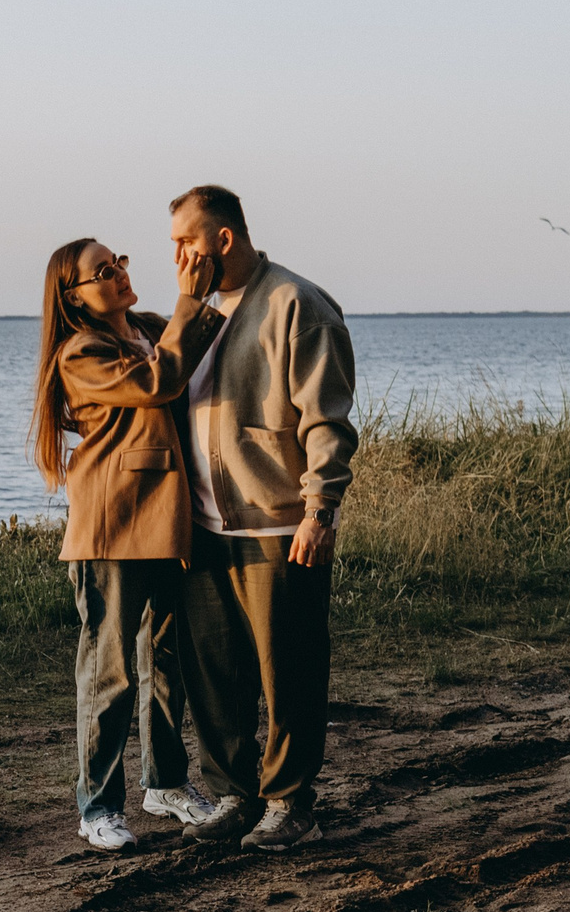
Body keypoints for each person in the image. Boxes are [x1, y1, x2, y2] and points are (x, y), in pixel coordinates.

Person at [167, 185, 358, 851]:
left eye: (186, 242)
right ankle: (234, 793)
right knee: (213, 672)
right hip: (204, 527)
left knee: (289, 669)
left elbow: (326, 420)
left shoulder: (296, 303)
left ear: (223, 239)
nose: (178, 258)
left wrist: (319, 509)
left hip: (277, 523)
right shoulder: (200, 313)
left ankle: (290, 801)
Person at [30, 236, 227, 851]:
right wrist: (192, 299)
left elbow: (206, 347)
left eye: (118, 263)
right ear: (75, 297)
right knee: (110, 670)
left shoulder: (147, 325)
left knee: (168, 661)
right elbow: (159, 383)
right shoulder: (81, 351)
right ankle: (98, 806)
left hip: (172, 520)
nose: (118, 273)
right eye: (102, 271)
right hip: (114, 526)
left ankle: (166, 785)